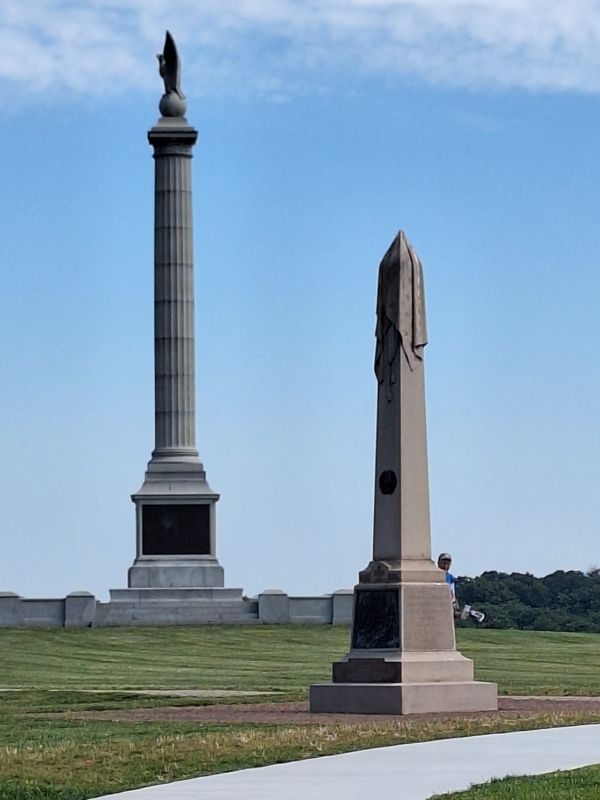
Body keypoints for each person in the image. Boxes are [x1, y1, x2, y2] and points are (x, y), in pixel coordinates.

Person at [437, 553, 485, 624]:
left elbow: (451, 590)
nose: (445, 566)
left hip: (446, 600)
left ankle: (469, 613)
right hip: (438, 599)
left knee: (452, 615)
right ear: (439, 563)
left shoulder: (450, 577)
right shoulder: (434, 574)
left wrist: (454, 601)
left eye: (448, 563)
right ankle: (469, 613)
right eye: (443, 563)